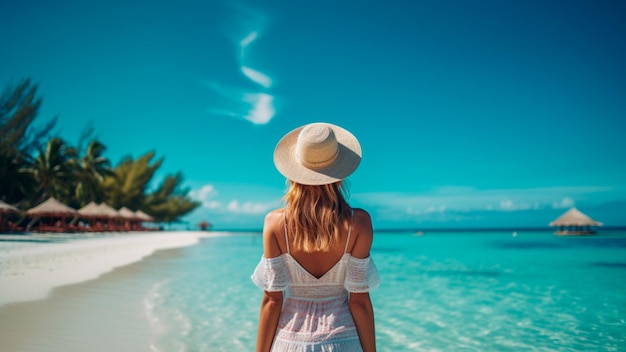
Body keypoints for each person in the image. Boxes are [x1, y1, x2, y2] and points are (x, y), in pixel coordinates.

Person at [252, 122, 380, 351]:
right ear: (340, 175)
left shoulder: (274, 224)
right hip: (344, 341)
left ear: (293, 174)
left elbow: (272, 301)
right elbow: (359, 301)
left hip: (290, 342)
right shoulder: (359, 223)